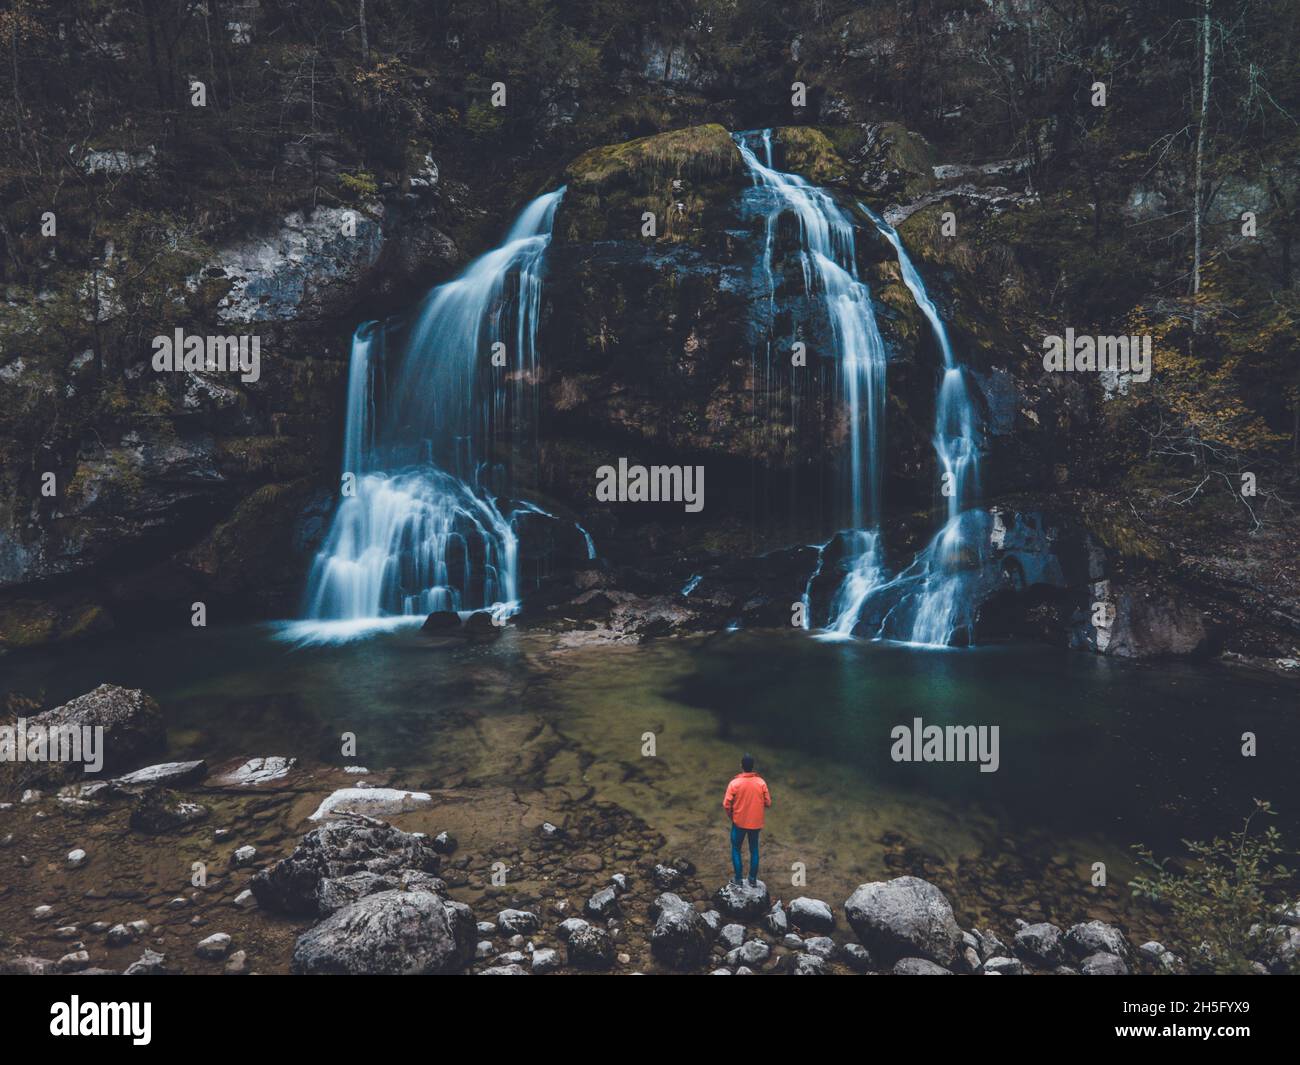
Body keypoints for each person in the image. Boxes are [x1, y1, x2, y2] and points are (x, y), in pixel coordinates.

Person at [722, 753, 771, 886]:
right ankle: (752, 879)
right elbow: (768, 803)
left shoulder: (734, 783)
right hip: (755, 824)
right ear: (753, 766)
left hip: (739, 822)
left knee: (736, 849)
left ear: (741, 766)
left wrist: (731, 815)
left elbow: (726, 804)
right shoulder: (761, 782)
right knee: (754, 850)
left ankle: (738, 879)